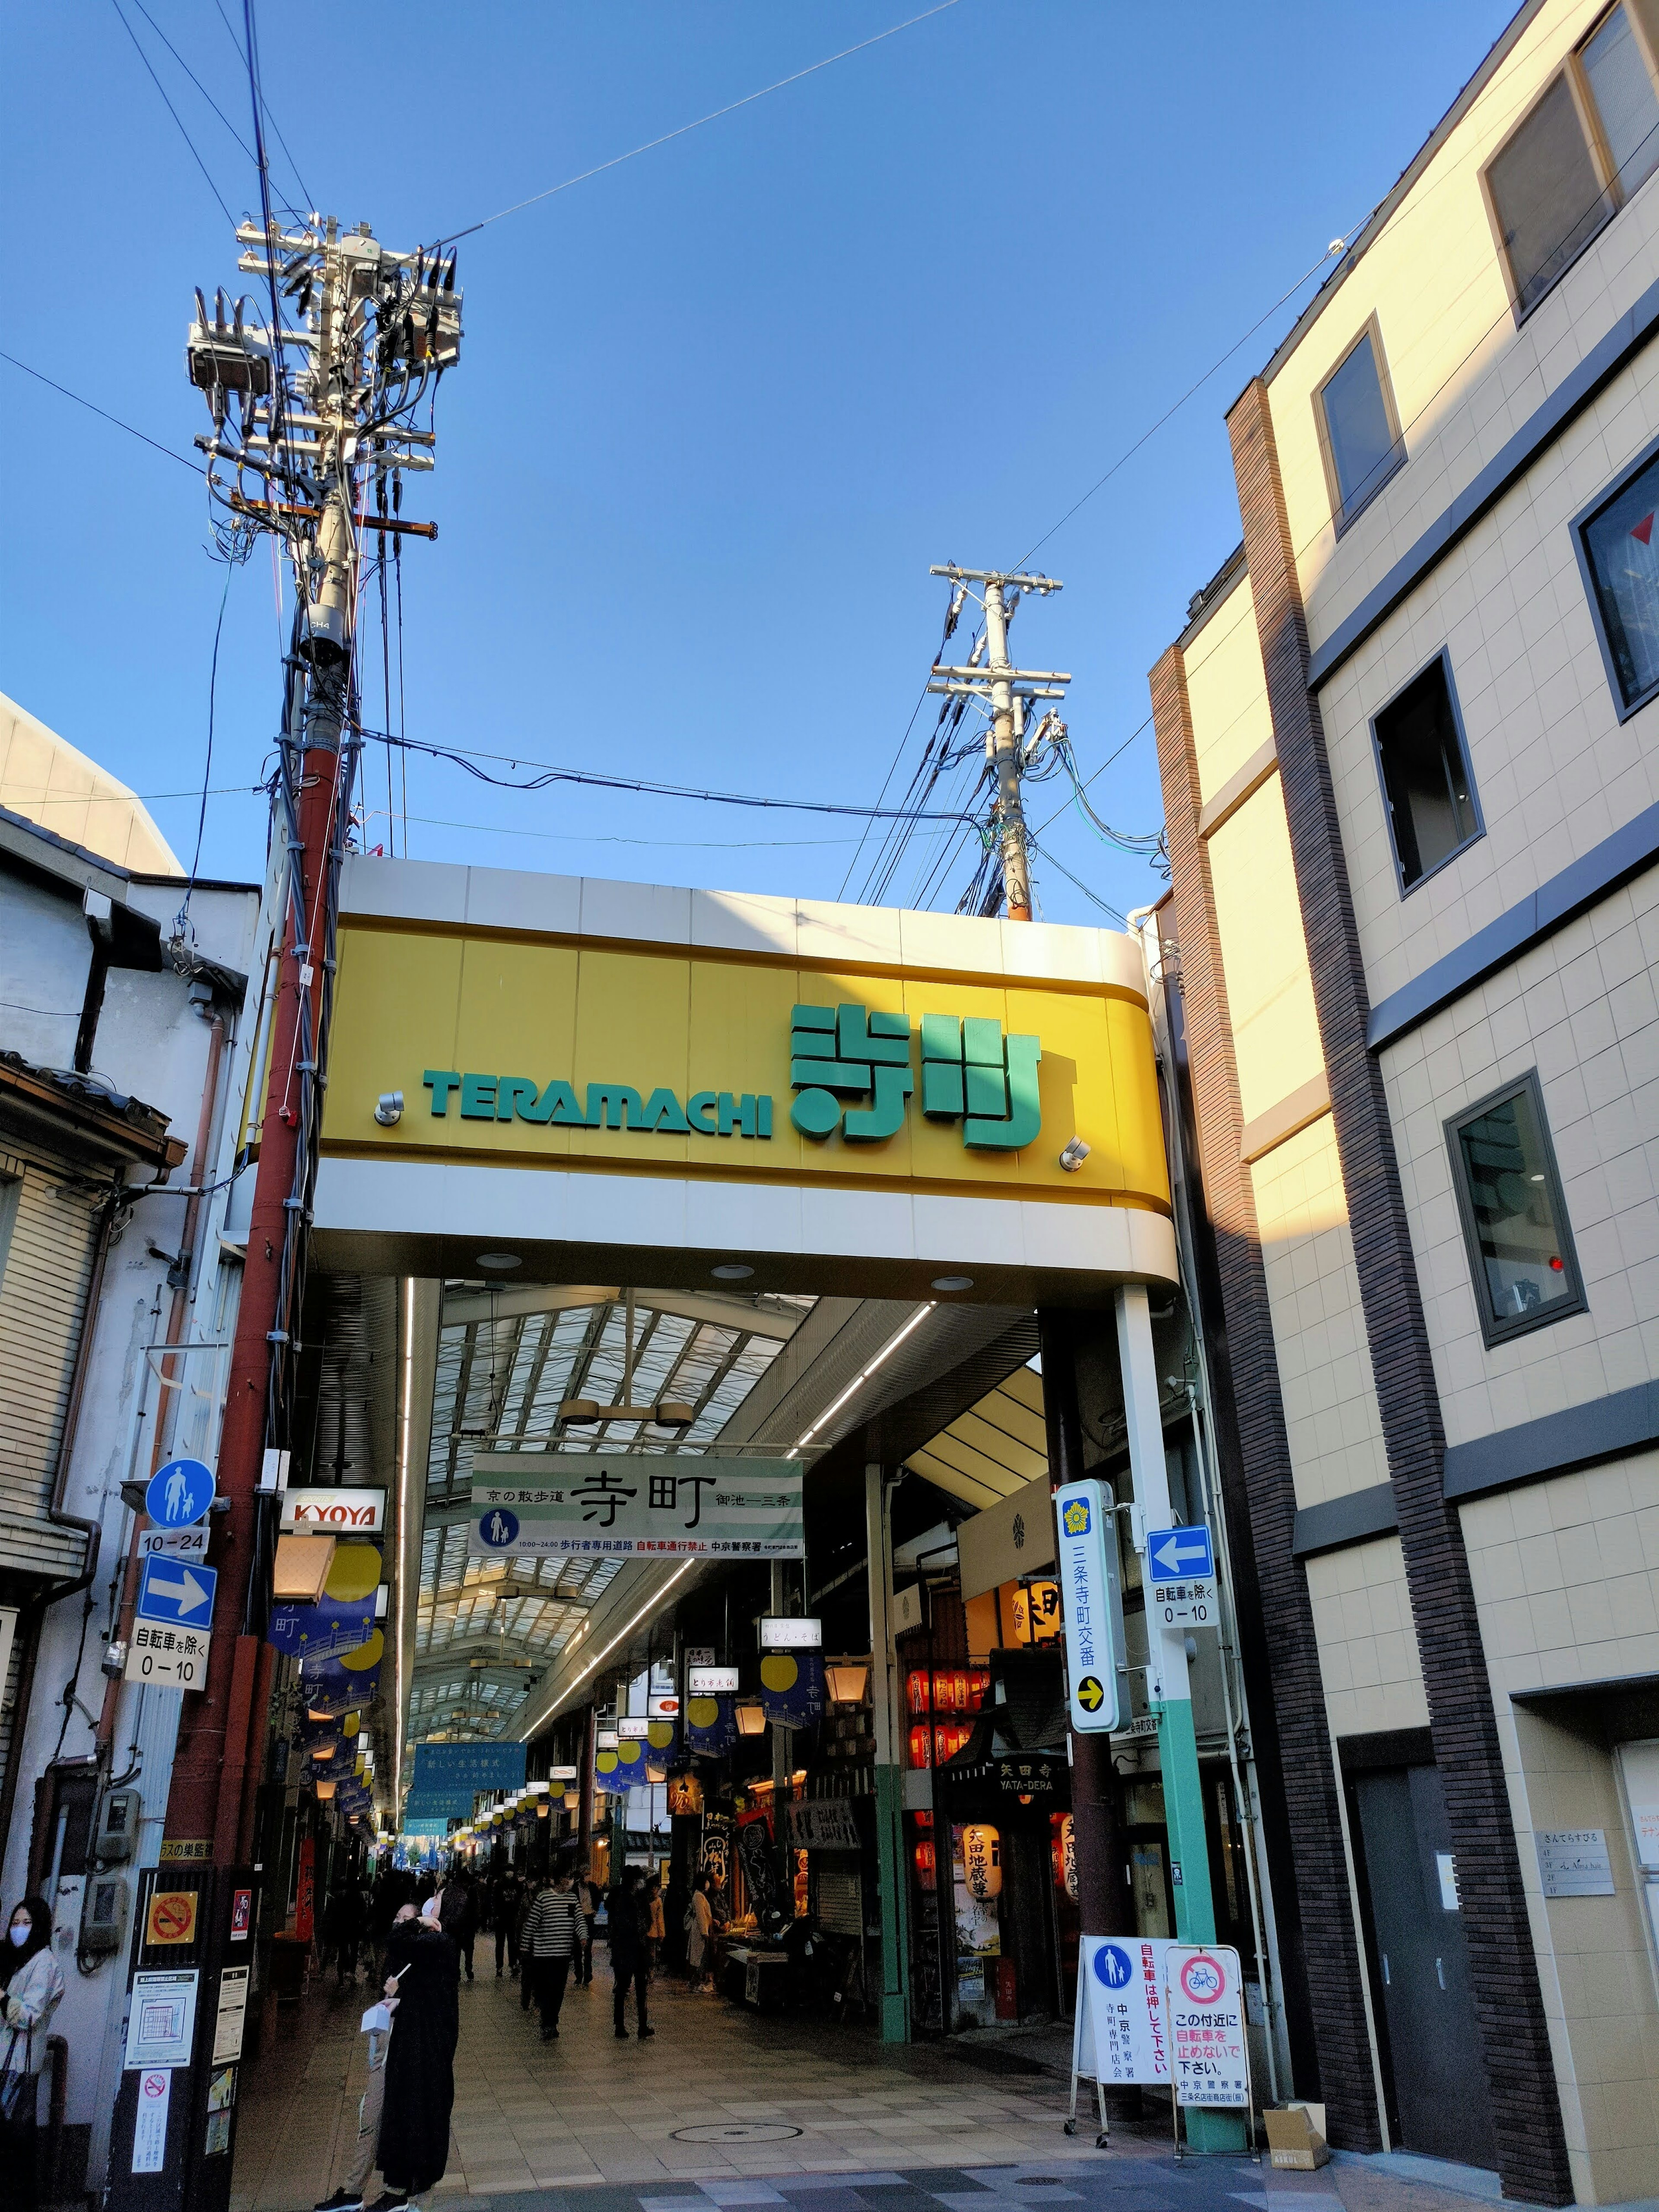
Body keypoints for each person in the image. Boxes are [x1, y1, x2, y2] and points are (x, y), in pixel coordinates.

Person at [366, 1895, 458, 2211]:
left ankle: (411, 2188)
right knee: (410, 2107)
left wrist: (417, 1923)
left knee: (418, 2108)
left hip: (426, 2048)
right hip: (418, 2043)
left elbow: (394, 1939)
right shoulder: (430, 1948)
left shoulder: (440, 1943)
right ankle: (402, 2185)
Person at [2, 1899, 65, 2209]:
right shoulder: (17, 1961)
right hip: (7, 2061)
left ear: (39, 1926)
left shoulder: (45, 1963)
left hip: (18, 2065)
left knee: (15, 2142)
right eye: (15, 1923)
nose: (19, 1930)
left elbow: (28, 2017)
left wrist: (3, 1998)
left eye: (27, 1924)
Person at [521, 1867, 582, 2041]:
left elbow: (578, 1919)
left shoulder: (572, 1899)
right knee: (546, 1989)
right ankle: (547, 2022)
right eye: (567, 1877)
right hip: (544, 1953)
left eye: (571, 1878)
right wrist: (525, 1945)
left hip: (563, 1953)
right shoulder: (544, 1898)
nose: (570, 1881)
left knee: (558, 1990)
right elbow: (532, 1923)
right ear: (557, 1880)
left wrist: (583, 1936)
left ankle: (552, 2022)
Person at [607, 1868, 652, 2040]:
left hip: (638, 1949)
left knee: (641, 1988)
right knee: (622, 1989)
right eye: (641, 1880)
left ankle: (643, 2025)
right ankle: (620, 2025)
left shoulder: (641, 1899)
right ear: (634, 1881)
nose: (642, 1883)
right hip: (626, 1949)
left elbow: (647, 1920)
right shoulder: (622, 1900)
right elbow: (623, 1925)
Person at [685, 1872, 715, 1993]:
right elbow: (701, 1916)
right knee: (700, 1959)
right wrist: (705, 1933)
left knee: (700, 1959)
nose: (708, 1884)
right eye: (707, 1881)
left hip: (702, 1932)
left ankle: (694, 1983)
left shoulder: (699, 1895)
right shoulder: (698, 1896)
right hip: (701, 1933)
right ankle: (694, 1983)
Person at [492, 1870, 522, 1980]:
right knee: (500, 1943)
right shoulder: (499, 1885)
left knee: (512, 1943)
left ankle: (513, 1965)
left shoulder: (518, 1885)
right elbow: (495, 1901)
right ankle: (499, 1967)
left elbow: (520, 1900)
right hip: (501, 1918)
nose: (510, 1873)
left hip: (512, 1918)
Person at [573, 1864, 600, 1987]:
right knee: (577, 1949)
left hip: (589, 1918)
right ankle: (579, 1974)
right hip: (578, 1919)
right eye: (586, 1874)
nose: (587, 1877)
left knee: (588, 1949)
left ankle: (588, 1975)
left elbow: (598, 1898)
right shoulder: (574, 1888)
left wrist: (595, 1909)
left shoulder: (593, 1887)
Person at [644, 1877, 665, 1981]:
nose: (655, 1890)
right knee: (647, 1953)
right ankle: (647, 1973)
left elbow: (660, 1918)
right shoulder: (645, 1899)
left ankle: (650, 1973)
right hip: (645, 1931)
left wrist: (662, 1933)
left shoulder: (658, 1900)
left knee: (652, 1954)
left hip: (653, 1932)